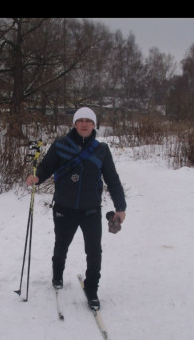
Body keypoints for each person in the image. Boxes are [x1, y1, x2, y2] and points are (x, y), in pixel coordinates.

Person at [26, 107, 126, 310]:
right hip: (64, 207)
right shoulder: (61, 145)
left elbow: (112, 179)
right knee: (61, 245)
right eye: (80, 120)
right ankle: (57, 275)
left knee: (94, 251)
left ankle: (92, 289)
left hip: (91, 210)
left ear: (94, 124)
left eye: (88, 121)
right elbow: (46, 166)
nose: (84, 124)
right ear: (74, 124)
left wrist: (120, 207)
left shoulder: (101, 150)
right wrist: (37, 177)